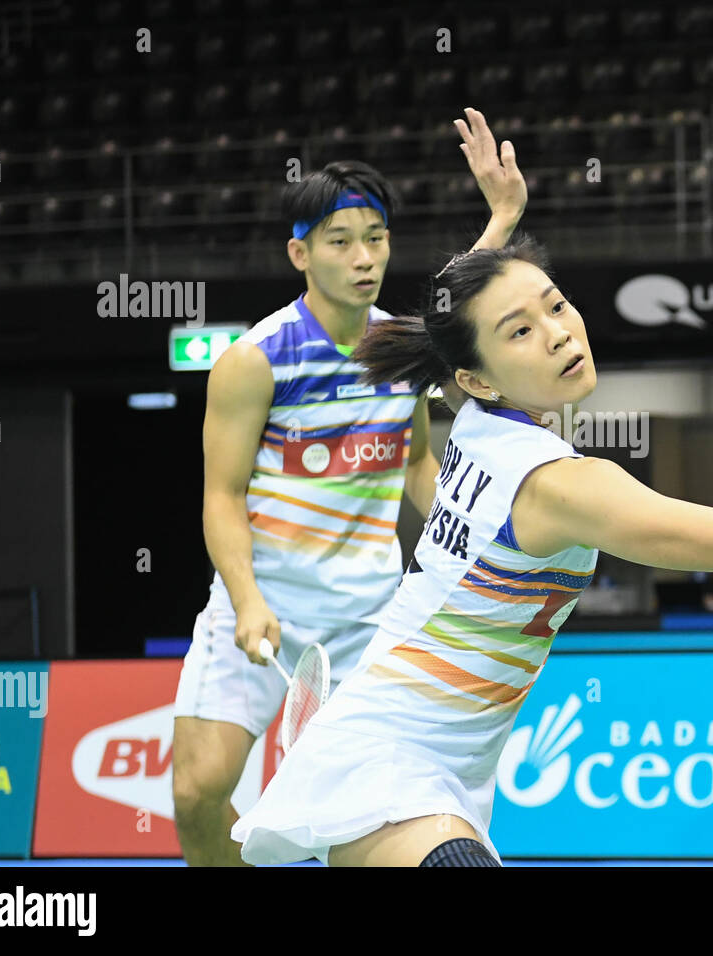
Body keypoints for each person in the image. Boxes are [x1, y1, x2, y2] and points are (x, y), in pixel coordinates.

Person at [230, 235, 713, 867]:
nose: (558, 331)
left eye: (555, 304)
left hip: (447, 762)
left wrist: (501, 223)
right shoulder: (562, 484)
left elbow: (458, 322)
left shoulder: (478, 422)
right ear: (475, 378)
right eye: (521, 331)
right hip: (383, 761)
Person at [171, 110, 527, 866]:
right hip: (261, 602)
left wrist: (502, 218)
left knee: (361, 819)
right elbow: (222, 496)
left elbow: (416, 464)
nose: (365, 258)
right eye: (340, 242)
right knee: (198, 793)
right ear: (300, 252)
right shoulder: (254, 360)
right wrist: (246, 598)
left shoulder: (396, 351)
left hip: (367, 618)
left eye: (377, 238)